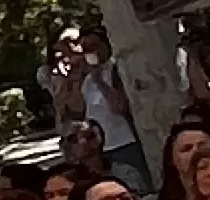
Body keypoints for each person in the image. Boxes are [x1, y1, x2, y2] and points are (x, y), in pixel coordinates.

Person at [41, 25, 149, 188]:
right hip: (102, 148)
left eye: (94, 46)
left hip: (124, 142)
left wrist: (101, 82)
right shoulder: (87, 79)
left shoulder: (114, 70)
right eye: (86, 48)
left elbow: (120, 106)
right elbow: (77, 111)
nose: (91, 52)